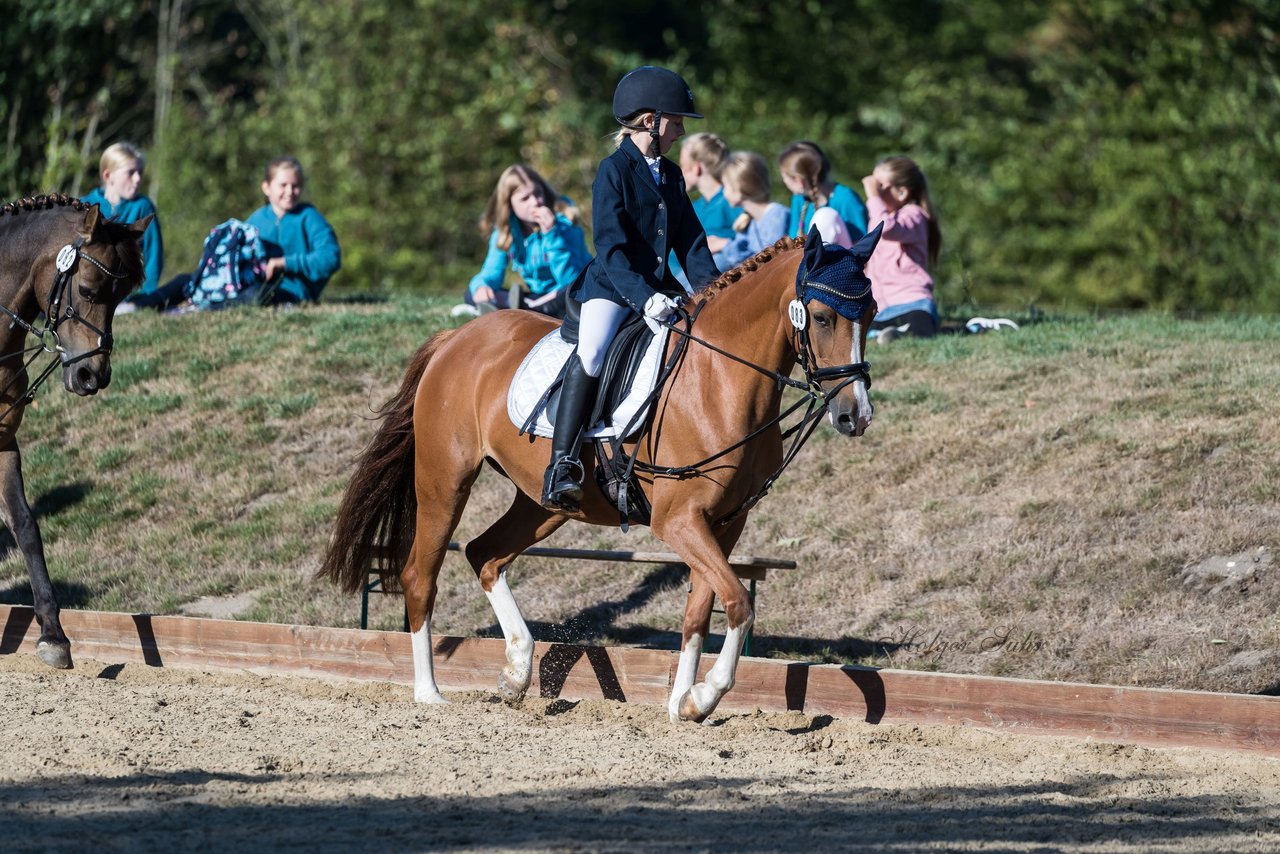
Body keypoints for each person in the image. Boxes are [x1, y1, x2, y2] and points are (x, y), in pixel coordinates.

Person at [540, 65, 720, 513]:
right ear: (649, 122)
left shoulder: (672, 175)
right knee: (594, 351)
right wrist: (644, 298)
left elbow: (692, 243)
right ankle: (561, 465)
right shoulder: (613, 172)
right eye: (675, 121)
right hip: (613, 287)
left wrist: (715, 294)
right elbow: (612, 249)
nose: (680, 130)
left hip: (660, 289)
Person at [456, 164, 591, 318]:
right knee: (472, 292)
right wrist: (482, 287)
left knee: (568, 296)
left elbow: (570, 278)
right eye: (525, 198)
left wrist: (552, 235)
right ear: (510, 205)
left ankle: (517, 308)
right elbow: (492, 271)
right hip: (538, 296)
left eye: (538, 193)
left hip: (571, 290)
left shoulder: (564, 221)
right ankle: (523, 307)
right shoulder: (507, 231)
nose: (535, 202)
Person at [861, 155, 942, 340]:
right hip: (882, 307)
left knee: (920, 327)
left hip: (912, 302)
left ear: (902, 193)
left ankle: (902, 332)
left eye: (880, 187)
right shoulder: (880, 218)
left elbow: (886, 228)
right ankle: (890, 333)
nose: (874, 192)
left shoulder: (914, 216)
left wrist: (873, 197)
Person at [245, 156, 341, 304]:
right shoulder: (256, 220)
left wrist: (286, 263)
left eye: (295, 185)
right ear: (266, 187)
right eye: (283, 185)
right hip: (255, 287)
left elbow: (330, 258)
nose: (290, 191)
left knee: (257, 298)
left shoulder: (309, 217)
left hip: (295, 292)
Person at [82, 142, 164, 293]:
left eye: (140, 172)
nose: (138, 178)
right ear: (108, 176)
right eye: (131, 172)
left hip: (128, 294)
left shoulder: (143, 206)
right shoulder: (85, 205)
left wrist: (144, 297)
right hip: (90, 290)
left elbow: (154, 256)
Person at [778, 141, 867, 247]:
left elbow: (861, 247)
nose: (784, 181)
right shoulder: (799, 198)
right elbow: (793, 238)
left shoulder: (846, 199)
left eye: (785, 177)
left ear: (799, 180)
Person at [713, 151, 790, 271]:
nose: (723, 192)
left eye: (726, 186)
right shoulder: (749, 221)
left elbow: (770, 260)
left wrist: (724, 244)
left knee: (720, 260)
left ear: (739, 187)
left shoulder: (776, 215)